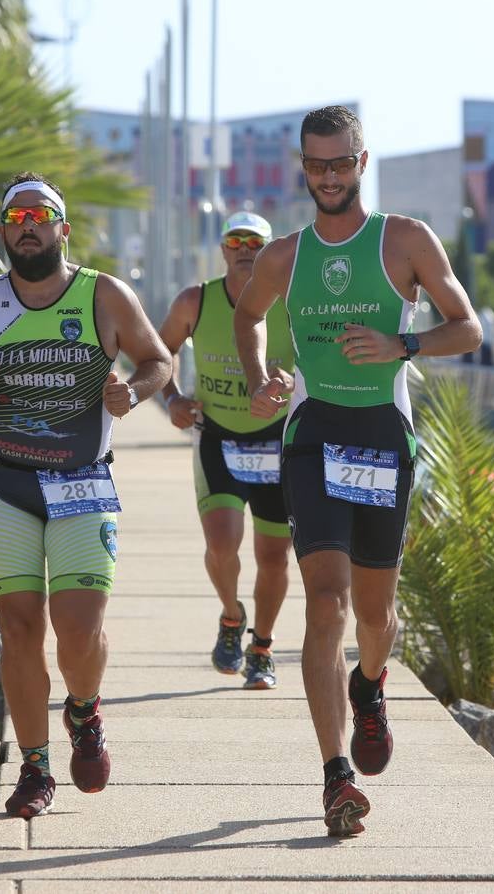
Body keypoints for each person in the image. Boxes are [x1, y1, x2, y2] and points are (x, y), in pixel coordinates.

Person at [234, 106, 482, 836]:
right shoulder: (282, 255)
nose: (331, 177)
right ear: (303, 169)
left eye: (342, 163)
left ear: (362, 162)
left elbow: (468, 326)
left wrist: (403, 344)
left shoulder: (404, 240)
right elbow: (249, 316)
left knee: (376, 617)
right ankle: (335, 775)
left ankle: (370, 683)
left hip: (383, 434)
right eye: (318, 166)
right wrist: (259, 374)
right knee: (327, 601)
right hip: (313, 434)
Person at [0, 172, 171, 819]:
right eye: (16, 217)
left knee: (79, 628)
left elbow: (158, 360)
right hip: (4, 481)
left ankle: (85, 712)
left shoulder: (103, 296)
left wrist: (134, 391)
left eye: (41, 215)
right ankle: (34, 767)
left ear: (63, 228)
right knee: (19, 628)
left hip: (81, 481)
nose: (27, 225)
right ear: (4, 232)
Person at [156, 211, 294, 689]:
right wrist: (171, 397)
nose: (245, 249)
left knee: (274, 557)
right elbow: (159, 351)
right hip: (218, 436)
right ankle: (232, 617)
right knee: (221, 542)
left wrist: (291, 382)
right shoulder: (196, 300)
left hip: (277, 440)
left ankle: (262, 649)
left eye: (256, 241)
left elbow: (319, 360)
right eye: (235, 240)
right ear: (222, 249)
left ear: (270, 250)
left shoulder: (292, 302)